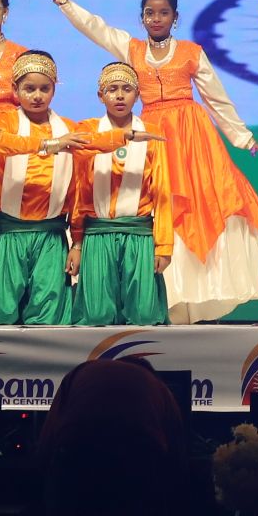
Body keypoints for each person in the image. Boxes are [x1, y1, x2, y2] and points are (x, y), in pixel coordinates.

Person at [31, 0, 258, 323]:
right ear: (142, 18)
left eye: (163, 13)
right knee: (159, 204)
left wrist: (244, 139)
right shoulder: (132, 49)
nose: (156, 18)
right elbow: (95, 27)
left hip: (191, 136)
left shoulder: (191, 52)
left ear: (174, 17)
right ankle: (167, 296)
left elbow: (216, 98)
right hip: (150, 135)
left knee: (196, 204)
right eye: (149, 13)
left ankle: (193, 295)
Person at [0, 51, 90, 326]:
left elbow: (78, 192)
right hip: (8, 235)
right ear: (15, 89)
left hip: (50, 237)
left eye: (45, 89)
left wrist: (77, 243)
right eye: (29, 89)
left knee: (48, 315)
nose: (37, 96)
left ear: (54, 89)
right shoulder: (5, 123)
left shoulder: (68, 128)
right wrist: (48, 145)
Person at [69, 61, 173, 326]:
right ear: (100, 95)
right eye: (112, 89)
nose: (119, 95)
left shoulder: (152, 134)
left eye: (126, 89)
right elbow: (79, 191)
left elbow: (162, 191)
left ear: (137, 95)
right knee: (96, 315)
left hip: (138, 236)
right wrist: (77, 243)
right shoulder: (87, 131)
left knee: (143, 315)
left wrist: (164, 246)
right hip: (98, 235)